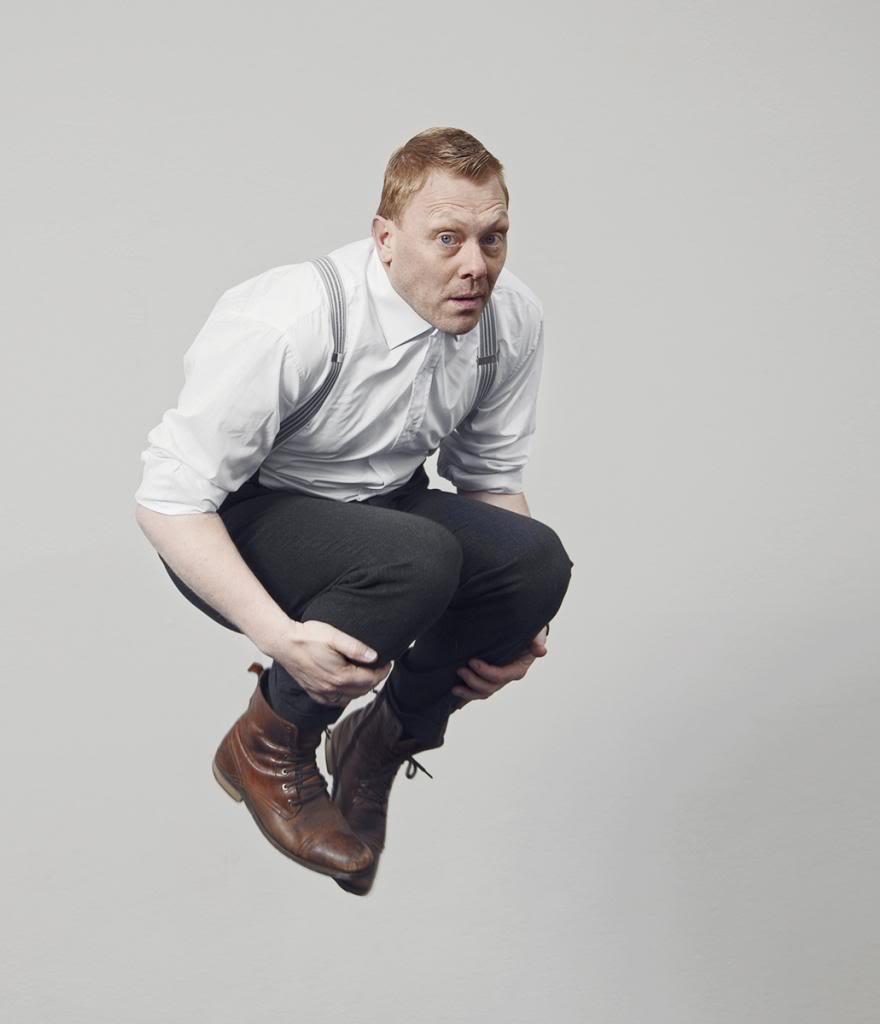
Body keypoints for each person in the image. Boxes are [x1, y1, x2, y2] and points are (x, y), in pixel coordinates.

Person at [133, 126, 574, 896]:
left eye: (493, 237)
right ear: (385, 239)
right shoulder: (293, 318)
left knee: (536, 562)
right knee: (415, 558)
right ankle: (268, 741)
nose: (476, 265)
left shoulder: (509, 318)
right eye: (447, 238)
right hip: (240, 520)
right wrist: (279, 638)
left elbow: (489, 477)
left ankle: (381, 739)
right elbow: (169, 502)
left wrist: (518, 613)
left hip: (385, 510)